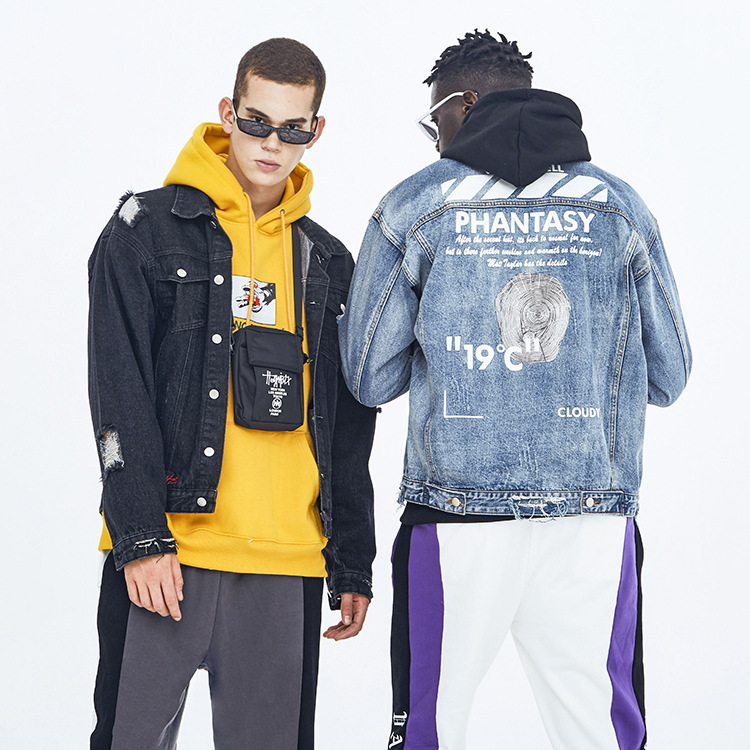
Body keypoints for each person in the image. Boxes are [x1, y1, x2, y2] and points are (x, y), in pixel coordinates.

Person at [338, 30, 691, 750]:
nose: (435, 139)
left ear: (464, 103)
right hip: (592, 522)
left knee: (429, 734)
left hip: (455, 518)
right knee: (603, 734)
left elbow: (368, 377)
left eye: (434, 119)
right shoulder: (618, 205)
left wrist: (452, 348)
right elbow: (671, 375)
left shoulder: (415, 205)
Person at [88, 38, 376, 750]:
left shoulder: (328, 262)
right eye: (256, 122)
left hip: (286, 564)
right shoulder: (144, 231)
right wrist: (141, 538)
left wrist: (351, 560)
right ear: (228, 112)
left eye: (293, 129)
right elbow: (118, 390)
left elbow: (347, 425)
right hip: (166, 559)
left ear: (316, 130)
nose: (272, 144)